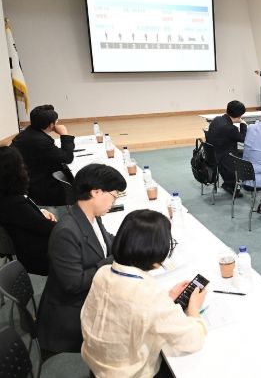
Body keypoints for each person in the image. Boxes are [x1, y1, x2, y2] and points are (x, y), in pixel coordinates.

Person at [81, 210, 207, 378]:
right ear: (156, 253)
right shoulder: (149, 295)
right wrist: (194, 310)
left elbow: (128, 309)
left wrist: (168, 298)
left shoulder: (103, 273)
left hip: (96, 368)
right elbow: (192, 340)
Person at [37, 163, 127, 354]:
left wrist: (133, 243)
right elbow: (74, 284)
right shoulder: (66, 232)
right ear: (96, 192)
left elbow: (107, 242)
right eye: (114, 195)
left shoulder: (91, 216)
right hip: (71, 314)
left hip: (90, 297)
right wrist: (112, 261)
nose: (114, 202)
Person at [0, 146, 56, 275]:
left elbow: (28, 218)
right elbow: (47, 228)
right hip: (42, 257)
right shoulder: (13, 204)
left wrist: (40, 211)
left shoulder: (7, 197)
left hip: (32, 248)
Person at [11, 104, 75, 207]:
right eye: (56, 121)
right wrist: (64, 135)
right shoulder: (40, 141)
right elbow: (67, 158)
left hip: (25, 177)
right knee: (74, 179)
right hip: (37, 185)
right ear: (51, 125)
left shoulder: (29, 132)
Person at [205, 100, 247, 197]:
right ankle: (232, 184)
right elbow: (243, 138)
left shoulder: (217, 119)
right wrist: (243, 124)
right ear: (239, 115)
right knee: (247, 155)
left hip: (212, 153)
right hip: (222, 157)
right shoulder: (230, 128)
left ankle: (229, 182)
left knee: (241, 153)